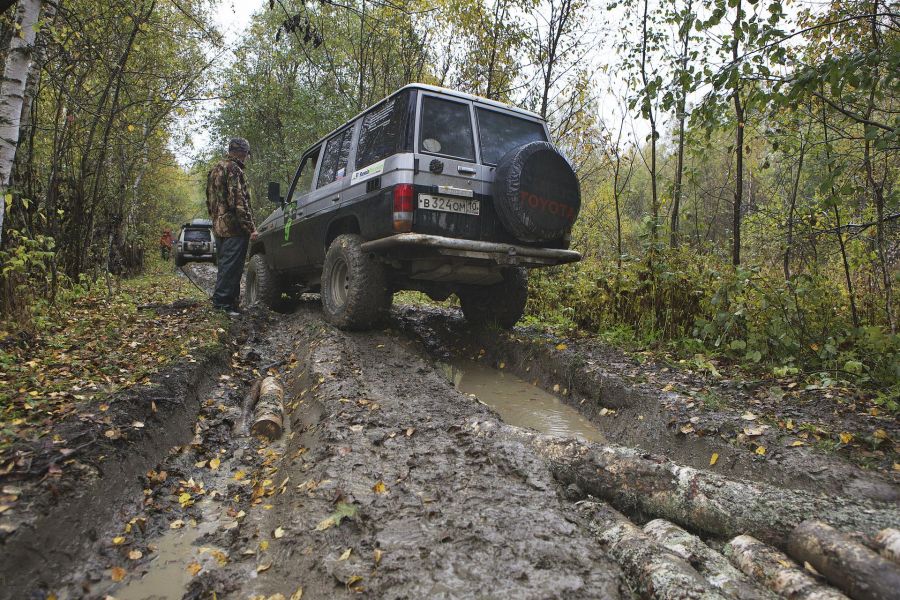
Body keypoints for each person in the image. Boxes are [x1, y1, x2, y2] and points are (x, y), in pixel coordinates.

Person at [206, 137, 258, 315]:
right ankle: (222, 306)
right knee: (231, 268)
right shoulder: (234, 170)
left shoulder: (215, 169)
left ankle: (231, 304)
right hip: (234, 228)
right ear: (242, 153)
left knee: (226, 265)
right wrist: (251, 228)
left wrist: (215, 219)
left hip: (218, 226)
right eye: (245, 154)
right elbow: (239, 202)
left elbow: (209, 200)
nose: (246, 158)